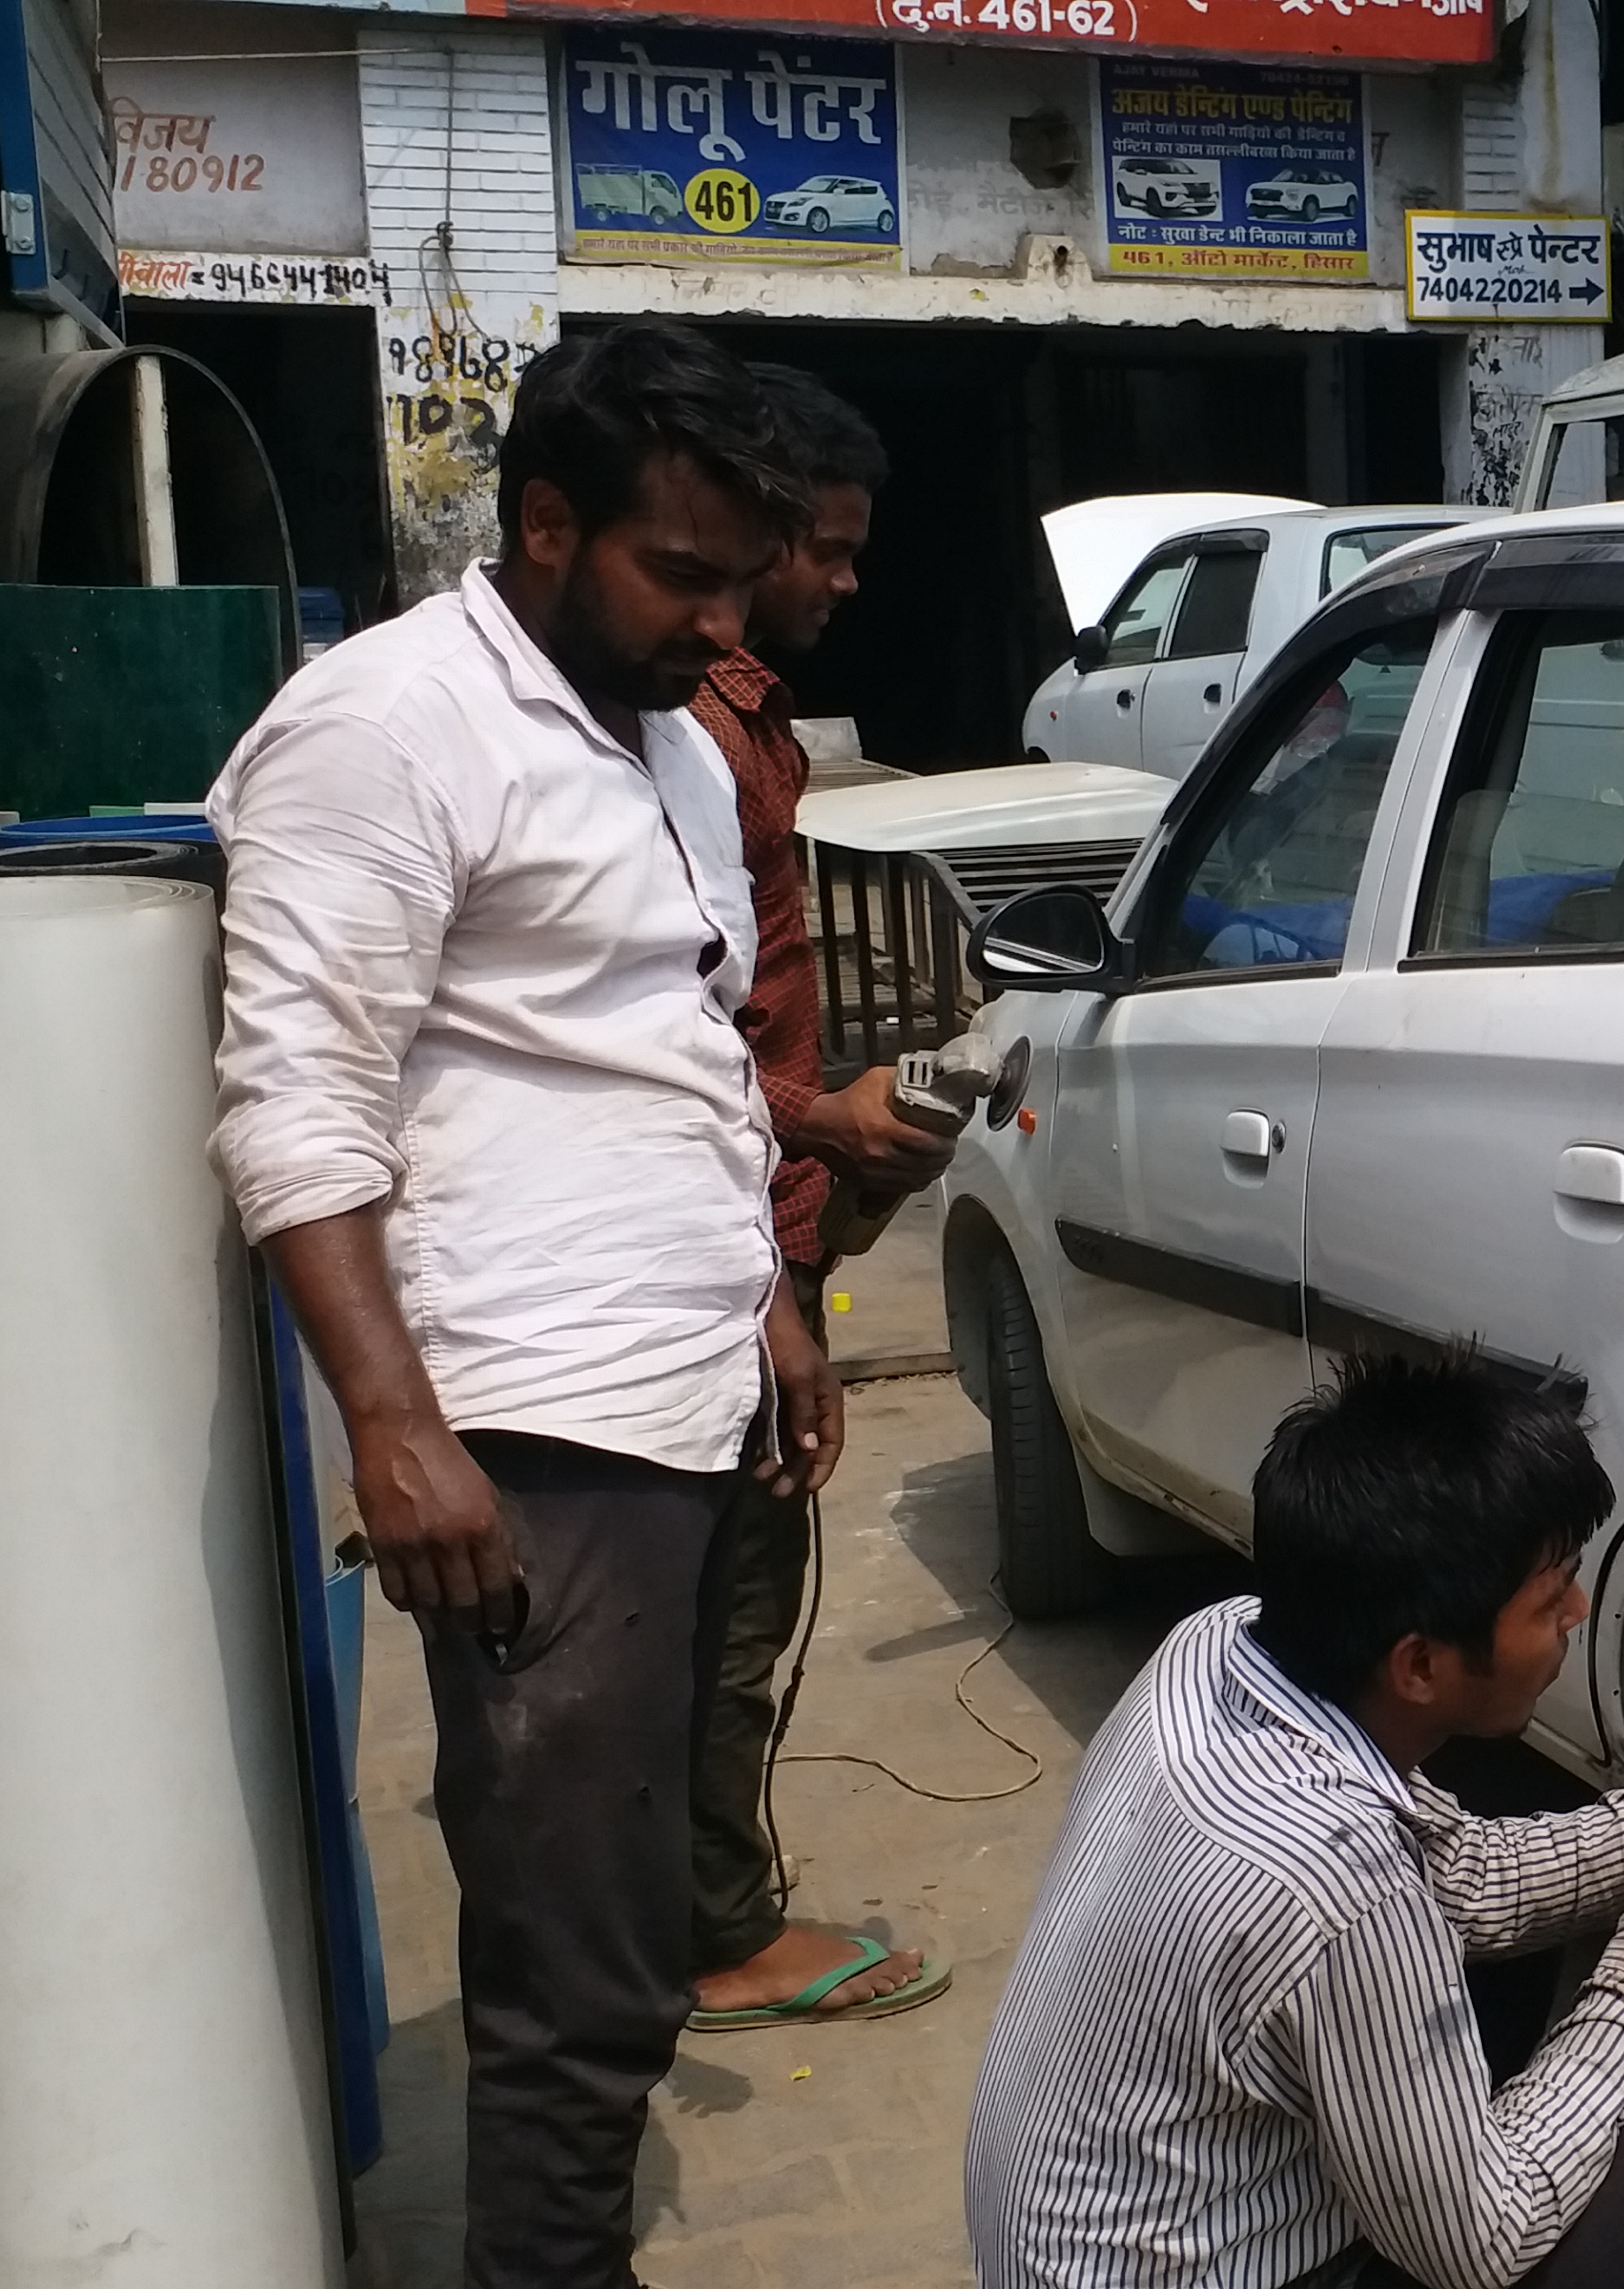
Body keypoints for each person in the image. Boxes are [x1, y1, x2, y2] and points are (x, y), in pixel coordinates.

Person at [208, 318, 838, 2289]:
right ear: (547, 525)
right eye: (682, 574)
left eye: (744, 580)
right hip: (529, 1432)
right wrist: (398, 1429)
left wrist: (774, 1308)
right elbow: (294, 1099)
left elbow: (674, 1043)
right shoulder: (385, 727)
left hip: (674, 1398)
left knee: (627, 1940)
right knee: (577, 1984)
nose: (722, 621)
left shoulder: (658, 732)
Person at [965, 1350, 1624, 2289]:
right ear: (1418, 1666)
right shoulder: (1335, 1879)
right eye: (1549, 1596)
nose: (1577, 1610)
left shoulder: (1217, 1646)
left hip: (1097, 2240)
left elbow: (1470, 1880)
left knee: (1507, 1957)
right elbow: (1477, 2244)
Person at [680, 364, 952, 2034]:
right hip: (716, 1230)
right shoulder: (692, 735)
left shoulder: (746, 723)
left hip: (758, 1215)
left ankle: (698, 1903)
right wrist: (812, 1126)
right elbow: (666, 1027)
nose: (848, 585)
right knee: (735, 1600)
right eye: (828, 552)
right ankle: (714, 1929)